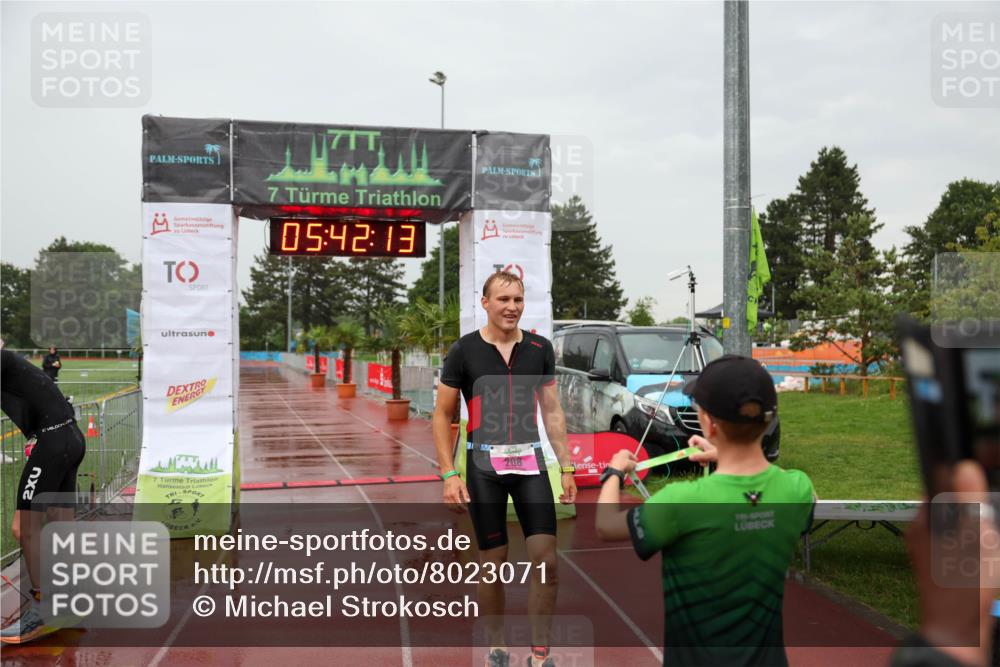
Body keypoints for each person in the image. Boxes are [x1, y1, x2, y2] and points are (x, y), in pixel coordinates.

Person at [595, 354, 815, 666]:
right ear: (768, 418)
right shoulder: (796, 489)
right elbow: (800, 494)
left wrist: (614, 472)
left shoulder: (681, 501)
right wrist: (726, 455)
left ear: (708, 423)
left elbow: (605, 524)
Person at [433, 270, 577, 667]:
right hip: (483, 467)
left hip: (530, 463)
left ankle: (540, 652)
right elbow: (442, 415)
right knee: (492, 564)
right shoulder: (464, 351)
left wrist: (566, 466)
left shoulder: (539, 348)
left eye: (517, 300)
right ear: (485, 303)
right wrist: (448, 474)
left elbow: (552, 410)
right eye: (503, 300)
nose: (512, 307)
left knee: (546, 561)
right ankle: (497, 644)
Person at [0, 348, 85, 645]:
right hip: (70, 436)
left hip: (54, 441)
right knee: (63, 526)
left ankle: (45, 608)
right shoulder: (8, 361)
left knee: (23, 528)